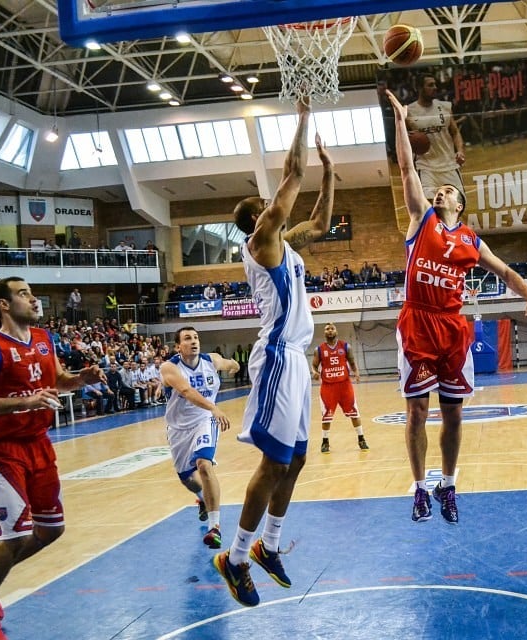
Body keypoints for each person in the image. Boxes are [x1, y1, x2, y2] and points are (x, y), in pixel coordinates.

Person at [385, 89, 527, 525]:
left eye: (445, 191)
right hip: (418, 320)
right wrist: (401, 121)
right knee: (417, 410)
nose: (438, 193)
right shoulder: (421, 219)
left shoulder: (472, 240)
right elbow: (405, 168)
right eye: (435, 190)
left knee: (454, 414)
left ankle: (449, 484)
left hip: (453, 326)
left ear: (459, 202)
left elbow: (508, 273)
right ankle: (420, 489)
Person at [213, 97, 335, 608]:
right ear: (259, 218)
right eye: (266, 203)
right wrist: (303, 117)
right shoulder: (263, 239)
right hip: (278, 357)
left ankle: (270, 544)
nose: (274, 203)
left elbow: (322, 225)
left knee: (298, 459)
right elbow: (292, 169)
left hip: (298, 361)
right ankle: (235, 557)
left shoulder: (286, 243)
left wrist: (330, 175)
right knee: (273, 462)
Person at [0, 277, 106, 637]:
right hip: (2, 451)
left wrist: (81, 378)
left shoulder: (43, 339)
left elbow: (59, 380)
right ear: (4, 305)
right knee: (15, 536)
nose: (33, 299)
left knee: (51, 530)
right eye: (23, 293)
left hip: (40, 443)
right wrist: (26, 401)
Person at [161, 326, 239, 549]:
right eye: (187, 338)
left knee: (204, 465)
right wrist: (214, 406)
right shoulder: (169, 367)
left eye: (195, 337)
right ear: (178, 347)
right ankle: (203, 499)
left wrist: (235, 365)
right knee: (187, 478)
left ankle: (214, 528)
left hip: (204, 420)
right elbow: (185, 391)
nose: (193, 341)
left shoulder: (210, 360)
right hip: (178, 428)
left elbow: (228, 362)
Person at [404, 73, 466, 199]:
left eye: (435, 84)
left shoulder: (445, 106)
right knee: (430, 207)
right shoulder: (409, 111)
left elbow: (454, 132)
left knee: (458, 205)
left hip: (449, 164)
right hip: (426, 167)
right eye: (430, 85)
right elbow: (403, 140)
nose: (435, 87)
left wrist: (460, 151)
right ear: (420, 88)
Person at [311, 323, 368, 453]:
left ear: (336, 331)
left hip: (344, 385)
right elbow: (314, 366)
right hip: (328, 387)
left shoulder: (346, 346)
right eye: (327, 329)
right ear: (324, 333)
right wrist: (314, 372)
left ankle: (361, 439)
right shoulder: (319, 349)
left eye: (332, 329)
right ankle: (325, 442)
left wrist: (357, 373)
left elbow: (352, 362)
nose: (330, 331)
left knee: (354, 413)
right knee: (326, 416)